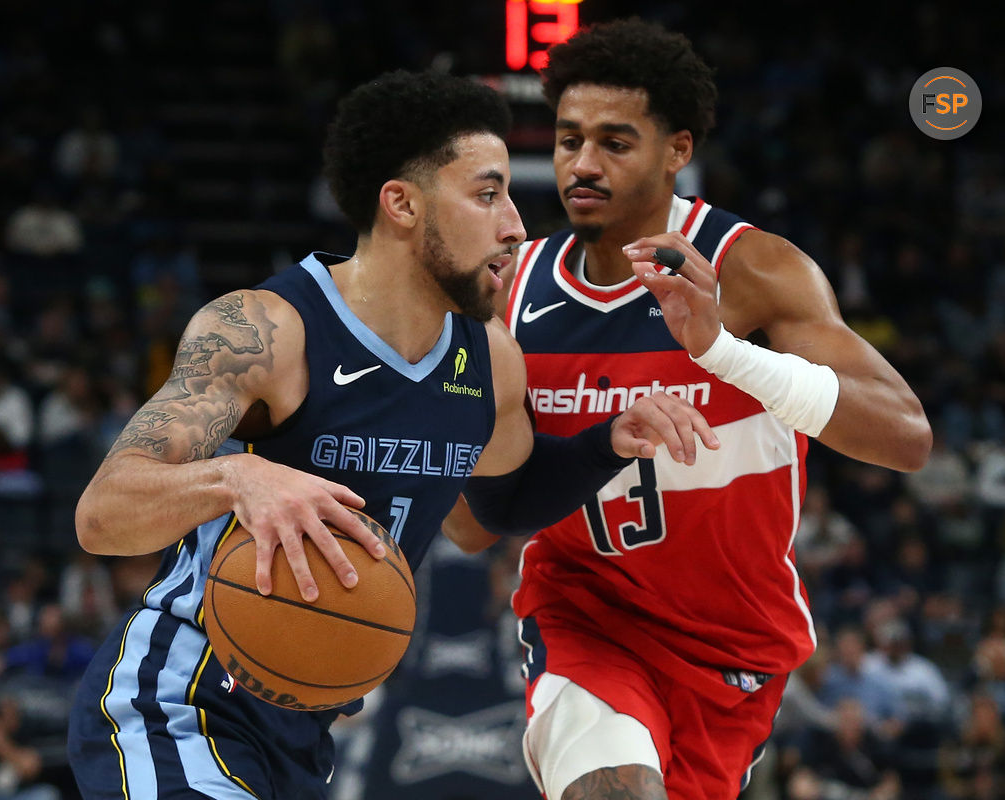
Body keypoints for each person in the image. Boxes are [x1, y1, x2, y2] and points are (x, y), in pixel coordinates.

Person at [67, 69, 717, 800]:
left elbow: (501, 508)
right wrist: (239, 476)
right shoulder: (265, 330)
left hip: (304, 732)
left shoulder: (491, 360)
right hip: (180, 702)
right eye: (486, 193)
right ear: (401, 204)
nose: (515, 225)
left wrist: (608, 443)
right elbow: (102, 513)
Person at [444, 17, 932, 800]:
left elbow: (906, 437)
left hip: (732, 644)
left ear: (677, 149)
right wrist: (467, 425)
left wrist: (722, 354)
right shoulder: (512, 293)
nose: (583, 164)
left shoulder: (754, 270)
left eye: (614, 141)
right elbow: (472, 526)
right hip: (585, 610)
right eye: (569, 139)